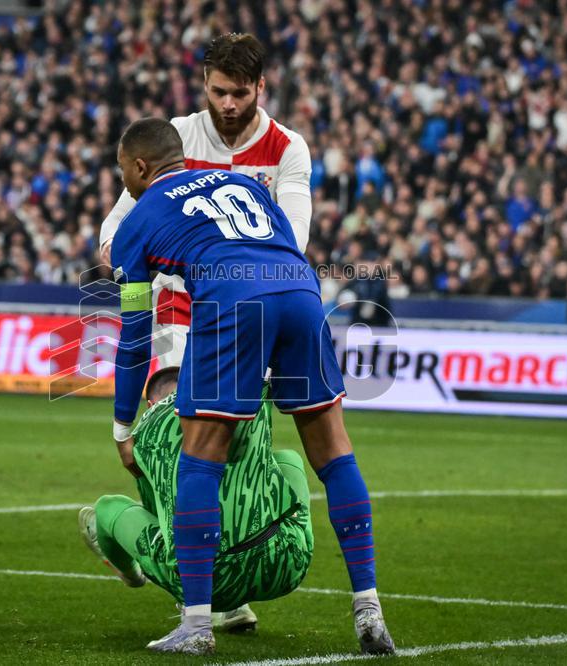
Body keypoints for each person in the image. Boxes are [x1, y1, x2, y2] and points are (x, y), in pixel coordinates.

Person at [110, 118, 393, 656]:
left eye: (122, 168)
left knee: (201, 456)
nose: (122, 178)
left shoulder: (137, 221)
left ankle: (196, 625)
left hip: (232, 299)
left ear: (140, 167)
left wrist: (123, 425)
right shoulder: (240, 184)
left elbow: (133, 337)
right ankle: (369, 609)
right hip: (301, 293)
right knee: (334, 452)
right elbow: (285, 242)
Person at [99, 33, 312, 368]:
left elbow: (296, 232)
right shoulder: (179, 136)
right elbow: (119, 218)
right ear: (204, 83)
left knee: (242, 419)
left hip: (251, 304)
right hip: (179, 305)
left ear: (260, 86)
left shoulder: (287, 147)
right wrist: (113, 245)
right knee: (179, 412)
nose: (228, 103)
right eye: (219, 92)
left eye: (239, 93)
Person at [79, 367, 313, 634]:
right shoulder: (233, 397)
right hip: (285, 564)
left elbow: (162, 515)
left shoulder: (143, 435)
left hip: (206, 585)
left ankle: (132, 574)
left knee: (109, 506)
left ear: (150, 404)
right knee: (287, 459)